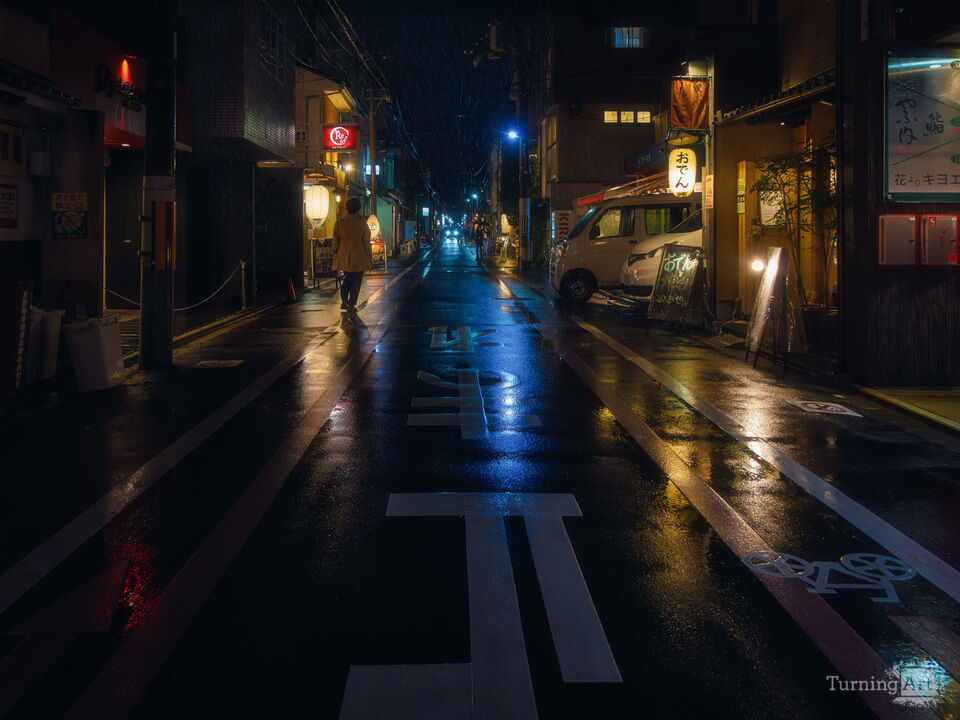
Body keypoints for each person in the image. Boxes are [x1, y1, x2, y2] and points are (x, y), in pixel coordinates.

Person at [331, 197, 373, 312]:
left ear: (347, 209)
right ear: (358, 209)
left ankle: (344, 300)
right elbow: (366, 242)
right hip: (359, 258)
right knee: (356, 282)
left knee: (347, 279)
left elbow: (335, 242)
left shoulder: (339, 224)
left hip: (344, 257)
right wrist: (369, 254)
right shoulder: (362, 224)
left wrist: (334, 251)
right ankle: (351, 303)